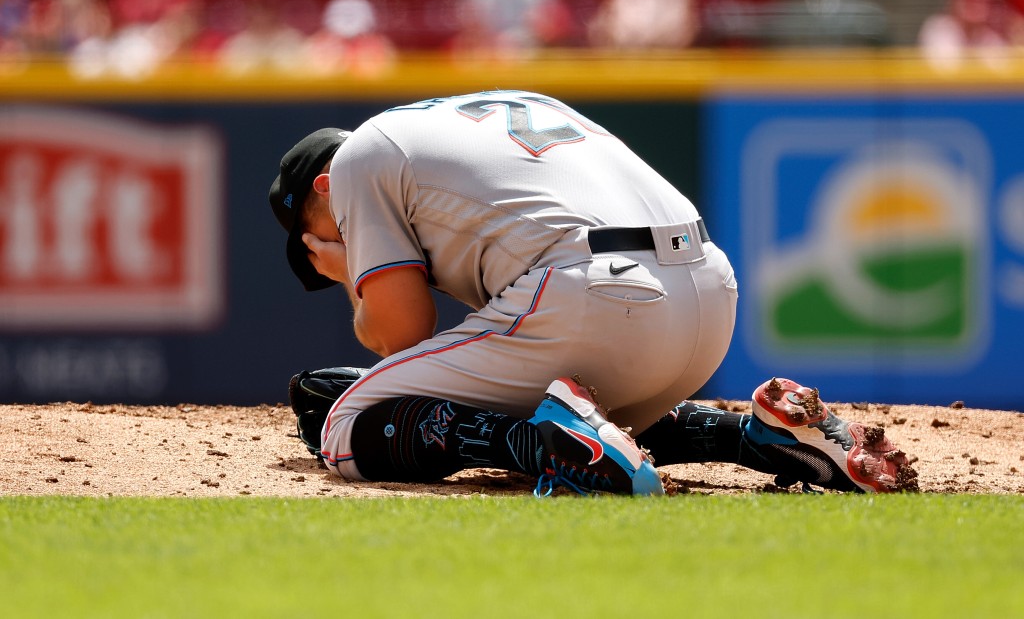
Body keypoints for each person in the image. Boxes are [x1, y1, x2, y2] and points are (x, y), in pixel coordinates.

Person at [269, 90, 918, 496]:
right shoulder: (482, 114)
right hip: (709, 293)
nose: (331, 246)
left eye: (316, 238)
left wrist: (351, 271)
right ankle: (757, 436)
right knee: (575, 396)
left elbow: (399, 333)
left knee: (342, 425)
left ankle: (546, 445)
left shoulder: (354, 164)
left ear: (322, 189)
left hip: (595, 293)